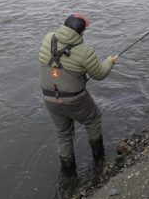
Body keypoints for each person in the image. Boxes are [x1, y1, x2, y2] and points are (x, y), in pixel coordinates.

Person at [39, 13, 117, 170]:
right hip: (75, 98)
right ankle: (99, 159)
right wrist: (110, 61)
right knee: (93, 119)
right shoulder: (85, 51)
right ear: (82, 33)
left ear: (64, 26)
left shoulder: (48, 38)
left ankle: (68, 170)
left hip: (49, 97)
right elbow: (99, 74)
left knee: (63, 135)